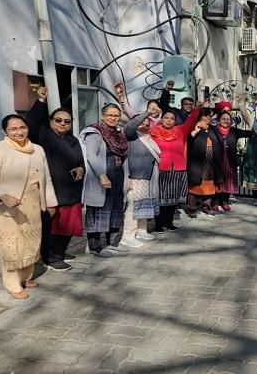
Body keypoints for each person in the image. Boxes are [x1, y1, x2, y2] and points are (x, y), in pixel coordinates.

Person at [0, 114, 57, 299]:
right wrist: (2, 196)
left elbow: (47, 180)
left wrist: (51, 202)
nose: (19, 132)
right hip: (4, 209)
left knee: (30, 242)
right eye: (13, 129)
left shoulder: (37, 149)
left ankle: (25, 277)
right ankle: (13, 284)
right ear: (5, 131)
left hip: (32, 206)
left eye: (22, 127)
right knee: (11, 246)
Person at [26, 87, 84, 271]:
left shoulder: (73, 139)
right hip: (53, 191)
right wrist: (41, 101)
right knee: (52, 227)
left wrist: (81, 168)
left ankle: (60, 252)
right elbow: (32, 123)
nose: (62, 124)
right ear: (50, 121)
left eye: (67, 122)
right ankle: (51, 257)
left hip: (72, 191)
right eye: (58, 120)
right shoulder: (43, 135)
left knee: (68, 226)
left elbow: (80, 160)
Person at [80, 104, 129, 257]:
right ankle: (94, 246)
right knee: (97, 211)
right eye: (110, 115)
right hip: (101, 176)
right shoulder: (95, 132)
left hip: (118, 175)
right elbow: (91, 156)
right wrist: (101, 175)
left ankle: (112, 243)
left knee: (115, 209)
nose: (113, 118)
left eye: (116, 115)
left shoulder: (119, 134)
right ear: (103, 116)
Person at [149, 103, 201, 231]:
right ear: (161, 119)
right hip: (161, 169)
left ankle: (169, 222)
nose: (169, 120)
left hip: (178, 169)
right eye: (166, 118)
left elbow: (191, 121)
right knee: (160, 198)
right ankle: (159, 224)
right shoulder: (154, 131)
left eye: (172, 118)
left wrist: (197, 109)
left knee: (174, 198)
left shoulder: (180, 130)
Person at [120, 113, 162, 247]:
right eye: (141, 122)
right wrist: (146, 113)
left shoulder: (147, 137)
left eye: (147, 122)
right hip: (135, 177)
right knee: (133, 205)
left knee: (144, 204)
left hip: (149, 177)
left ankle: (141, 230)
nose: (144, 124)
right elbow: (130, 126)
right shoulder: (130, 135)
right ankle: (128, 236)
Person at [210, 110, 253, 212]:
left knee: (228, 182)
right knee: (217, 181)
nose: (226, 121)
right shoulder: (213, 130)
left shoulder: (234, 131)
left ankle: (225, 201)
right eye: (223, 119)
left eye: (228, 119)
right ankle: (215, 202)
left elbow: (247, 133)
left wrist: (256, 132)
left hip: (230, 161)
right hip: (217, 161)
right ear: (218, 120)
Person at [186, 109, 221, 217]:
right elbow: (188, 141)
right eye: (210, 116)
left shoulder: (212, 129)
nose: (211, 118)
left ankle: (206, 206)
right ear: (203, 116)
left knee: (209, 184)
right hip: (197, 163)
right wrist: (194, 132)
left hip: (210, 164)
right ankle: (191, 207)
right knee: (195, 185)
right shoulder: (195, 126)